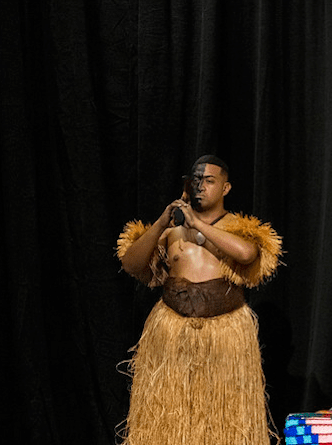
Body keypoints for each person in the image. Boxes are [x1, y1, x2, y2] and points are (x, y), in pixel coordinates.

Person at [115, 155, 282, 444]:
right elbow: (131, 264)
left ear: (225, 188)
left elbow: (247, 255)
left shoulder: (237, 227)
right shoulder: (170, 230)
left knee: (224, 423)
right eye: (196, 180)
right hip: (172, 333)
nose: (200, 186)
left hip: (225, 336)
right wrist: (161, 223)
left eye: (209, 180)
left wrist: (198, 224)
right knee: (170, 422)